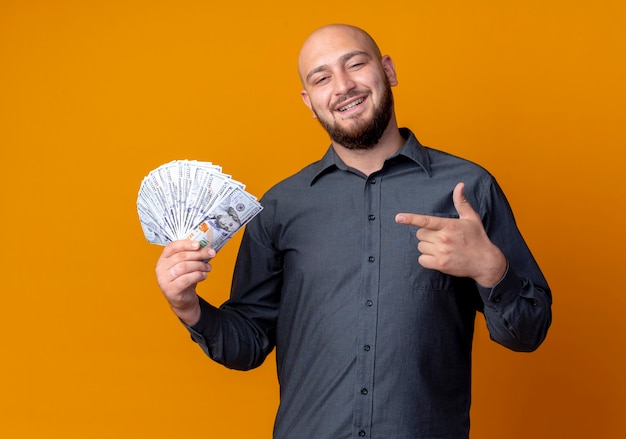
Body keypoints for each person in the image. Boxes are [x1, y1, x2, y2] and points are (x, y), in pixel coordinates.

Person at [155, 24, 552, 439]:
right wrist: (187, 306)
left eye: (356, 64)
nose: (343, 86)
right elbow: (249, 344)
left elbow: (528, 334)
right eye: (322, 77)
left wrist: (493, 271)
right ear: (310, 102)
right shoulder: (278, 207)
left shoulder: (467, 190)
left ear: (388, 71)